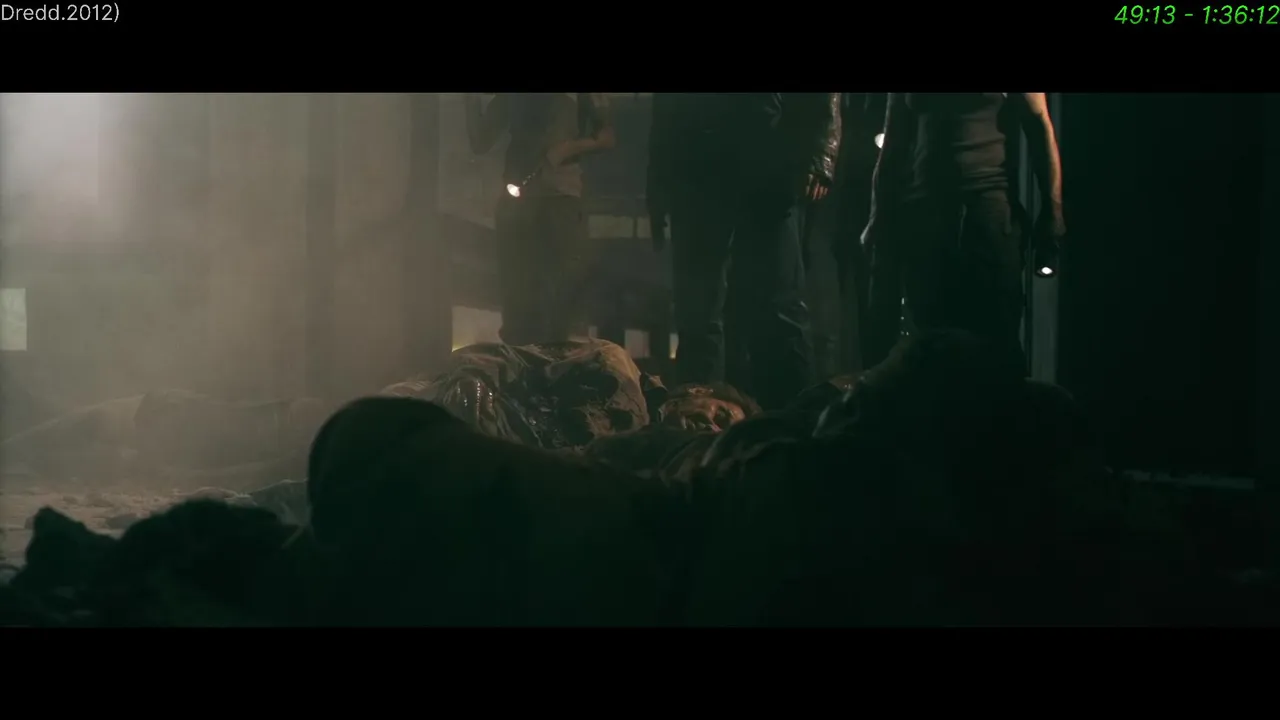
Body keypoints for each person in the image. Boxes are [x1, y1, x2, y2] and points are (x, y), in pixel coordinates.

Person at [648, 93, 843, 410]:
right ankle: (699, 418)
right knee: (699, 311)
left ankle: (789, 417)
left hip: (766, 163)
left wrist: (819, 156)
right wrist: (657, 184)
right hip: (701, 168)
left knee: (777, 305)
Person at [862, 93, 1065, 373]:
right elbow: (894, 145)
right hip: (927, 219)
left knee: (996, 339)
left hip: (988, 215)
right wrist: (878, 217)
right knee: (929, 341)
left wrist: (1053, 212)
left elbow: (1039, 123)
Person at [464, 93, 616, 346]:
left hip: (561, 199)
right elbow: (480, 141)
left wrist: (567, 149)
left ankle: (560, 359)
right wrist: (469, 100)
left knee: (562, 300)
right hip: (518, 200)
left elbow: (607, 137)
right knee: (517, 300)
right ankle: (521, 357)